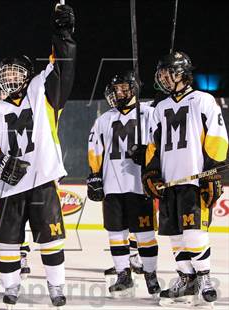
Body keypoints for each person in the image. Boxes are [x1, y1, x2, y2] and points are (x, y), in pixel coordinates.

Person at [0, 3, 76, 307]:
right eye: (6, 73)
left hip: (42, 180)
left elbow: (63, 67)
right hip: (9, 187)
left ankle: (56, 286)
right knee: (7, 242)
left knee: (51, 239)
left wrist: (64, 34)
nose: (11, 77)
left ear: (28, 75)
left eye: (17, 71)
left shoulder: (40, 92)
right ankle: (11, 286)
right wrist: (1, 162)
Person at [143, 51, 228, 306]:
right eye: (162, 73)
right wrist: (151, 172)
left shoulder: (203, 100)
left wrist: (213, 173)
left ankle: (204, 277)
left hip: (194, 180)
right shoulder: (160, 107)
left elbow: (217, 138)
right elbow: (153, 146)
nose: (163, 78)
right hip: (170, 182)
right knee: (175, 234)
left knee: (193, 232)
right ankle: (187, 279)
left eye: (167, 72)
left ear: (181, 73)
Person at [87, 71, 160, 297]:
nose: (119, 92)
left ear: (134, 89)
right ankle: (123, 275)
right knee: (116, 233)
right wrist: (95, 176)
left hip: (139, 185)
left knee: (145, 234)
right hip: (112, 186)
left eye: (124, 88)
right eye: (116, 88)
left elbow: (159, 143)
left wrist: (148, 157)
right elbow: (94, 149)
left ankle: (150, 275)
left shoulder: (149, 113)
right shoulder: (104, 119)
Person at [0, 86, 31, 278]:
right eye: (0, 93)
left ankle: (21, 252)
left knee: (21, 216)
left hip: (20, 177)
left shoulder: (23, 117)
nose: (4, 96)